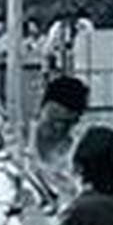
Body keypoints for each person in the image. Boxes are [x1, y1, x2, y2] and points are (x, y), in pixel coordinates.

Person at [28, 74, 89, 205]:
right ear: (41, 109)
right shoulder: (19, 140)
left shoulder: (78, 154)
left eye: (67, 123)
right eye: (53, 120)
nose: (58, 127)